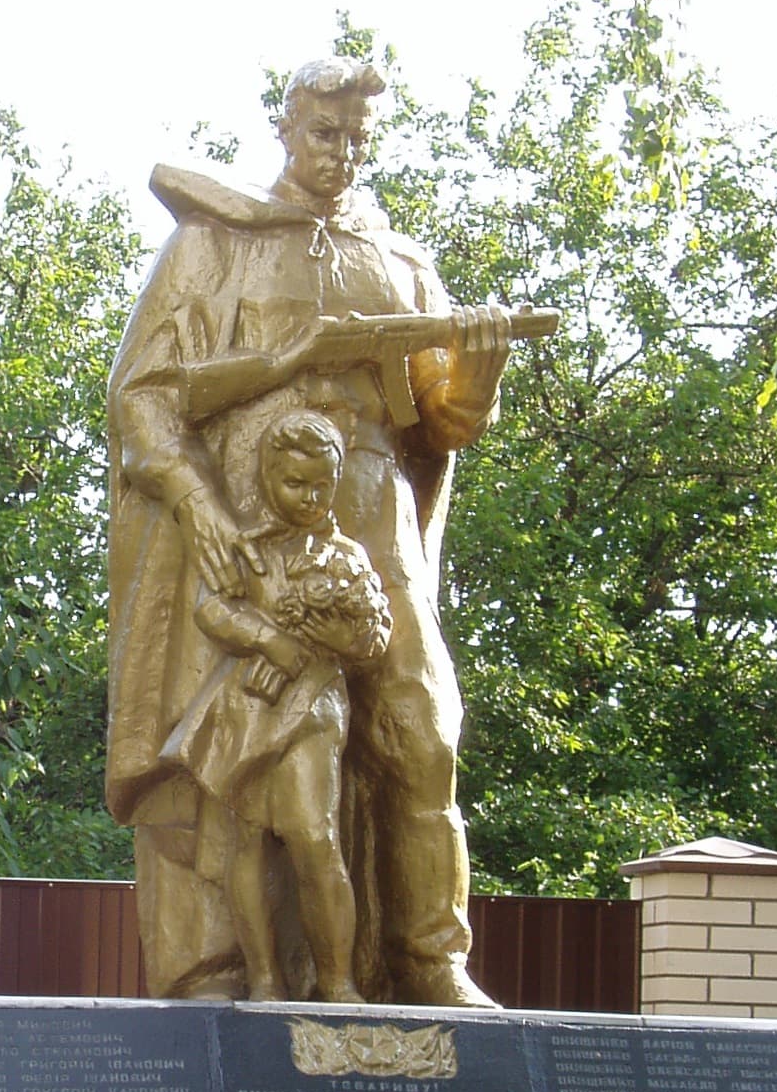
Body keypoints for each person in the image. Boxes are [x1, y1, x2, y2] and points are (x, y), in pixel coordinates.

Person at [106, 55, 512, 1006]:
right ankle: (213, 968)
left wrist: (477, 376)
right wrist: (201, 507)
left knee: (420, 724)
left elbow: (435, 425)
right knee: (228, 744)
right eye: (323, 133)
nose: (339, 154)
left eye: (356, 139)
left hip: (370, 510)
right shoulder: (216, 244)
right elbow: (144, 398)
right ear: (285, 129)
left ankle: (427, 957)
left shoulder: (400, 260)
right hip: (244, 505)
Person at [161, 407, 391, 1002]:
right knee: (248, 841)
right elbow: (212, 610)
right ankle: (264, 978)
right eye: (295, 483)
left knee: (315, 839)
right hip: (249, 707)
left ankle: (337, 982)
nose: (310, 497)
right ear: (267, 479)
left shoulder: (347, 558)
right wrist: (267, 637)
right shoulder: (250, 549)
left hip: (312, 705)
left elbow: (373, 639)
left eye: (322, 485)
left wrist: (324, 637)